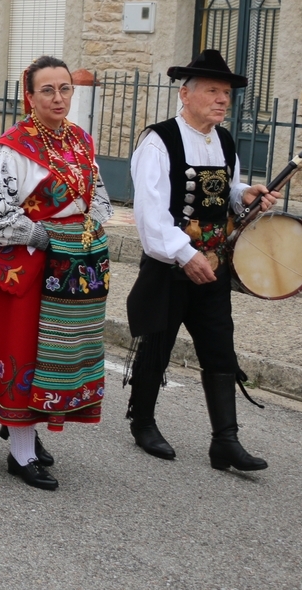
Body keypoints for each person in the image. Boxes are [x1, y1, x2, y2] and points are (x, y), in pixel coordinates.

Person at [0, 56, 113, 491]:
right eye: (48, 91)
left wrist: (87, 227)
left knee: (57, 358)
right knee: (30, 357)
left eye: (65, 89)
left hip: (74, 266)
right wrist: (50, 234)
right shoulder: (12, 148)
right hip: (29, 268)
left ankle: (27, 433)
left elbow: (100, 200)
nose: (58, 98)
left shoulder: (80, 141)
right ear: (30, 96)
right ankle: (20, 452)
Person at [124, 50, 279, 472]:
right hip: (171, 261)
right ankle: (142, 421)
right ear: (185, 94)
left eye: (225, 92)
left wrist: (243, 193)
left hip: (214, 263)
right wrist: (183, 253)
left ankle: (225, 441)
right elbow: (150, 214)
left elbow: (220, 190)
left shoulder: (224, 141)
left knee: (219, 346)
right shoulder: (158, 141)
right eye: (212, 90)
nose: (221, 99)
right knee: (157, 341)